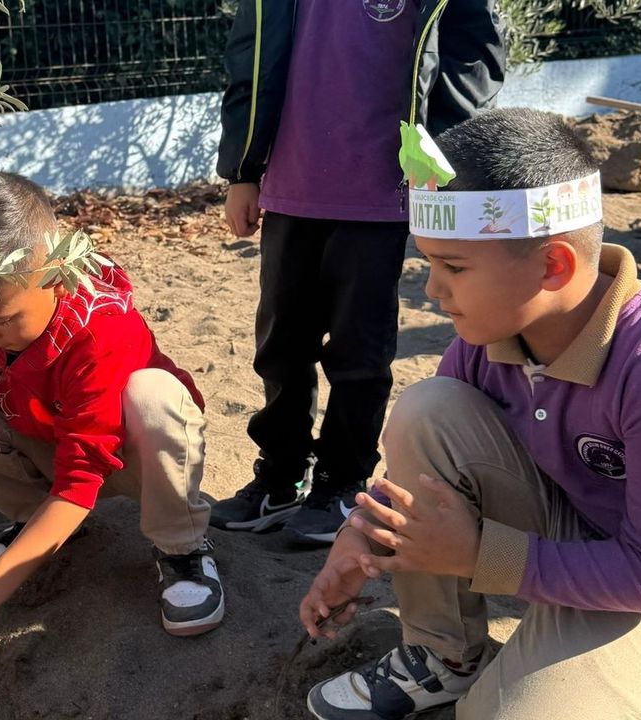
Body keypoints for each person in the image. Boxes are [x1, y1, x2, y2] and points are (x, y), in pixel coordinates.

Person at [300, 108, 641, 719]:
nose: (431, 289)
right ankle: (444, 655)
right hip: (564, 548)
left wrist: (480, 555)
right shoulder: (490, 340)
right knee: (428, 410)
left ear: (552, 265)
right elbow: (425, 470)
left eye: (453, 267)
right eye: (428, 263)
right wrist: (358, 539)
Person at [0, 171, 222, 643]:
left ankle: (182, 548)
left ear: (56, 278)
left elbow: (81, 479)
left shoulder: (100, 329)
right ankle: (36, 523)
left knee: (153, 398)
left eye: (1, 321)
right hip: (48, 440)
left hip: (133, 459)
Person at [210, 0, 505, 543]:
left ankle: (341, 484)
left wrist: (439, 150)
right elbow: (249, 60)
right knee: (280, 346)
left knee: (359, 353)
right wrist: (242, 171)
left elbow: (476, 59)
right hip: (290, 190)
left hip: (380, 197)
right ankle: (280, 475)